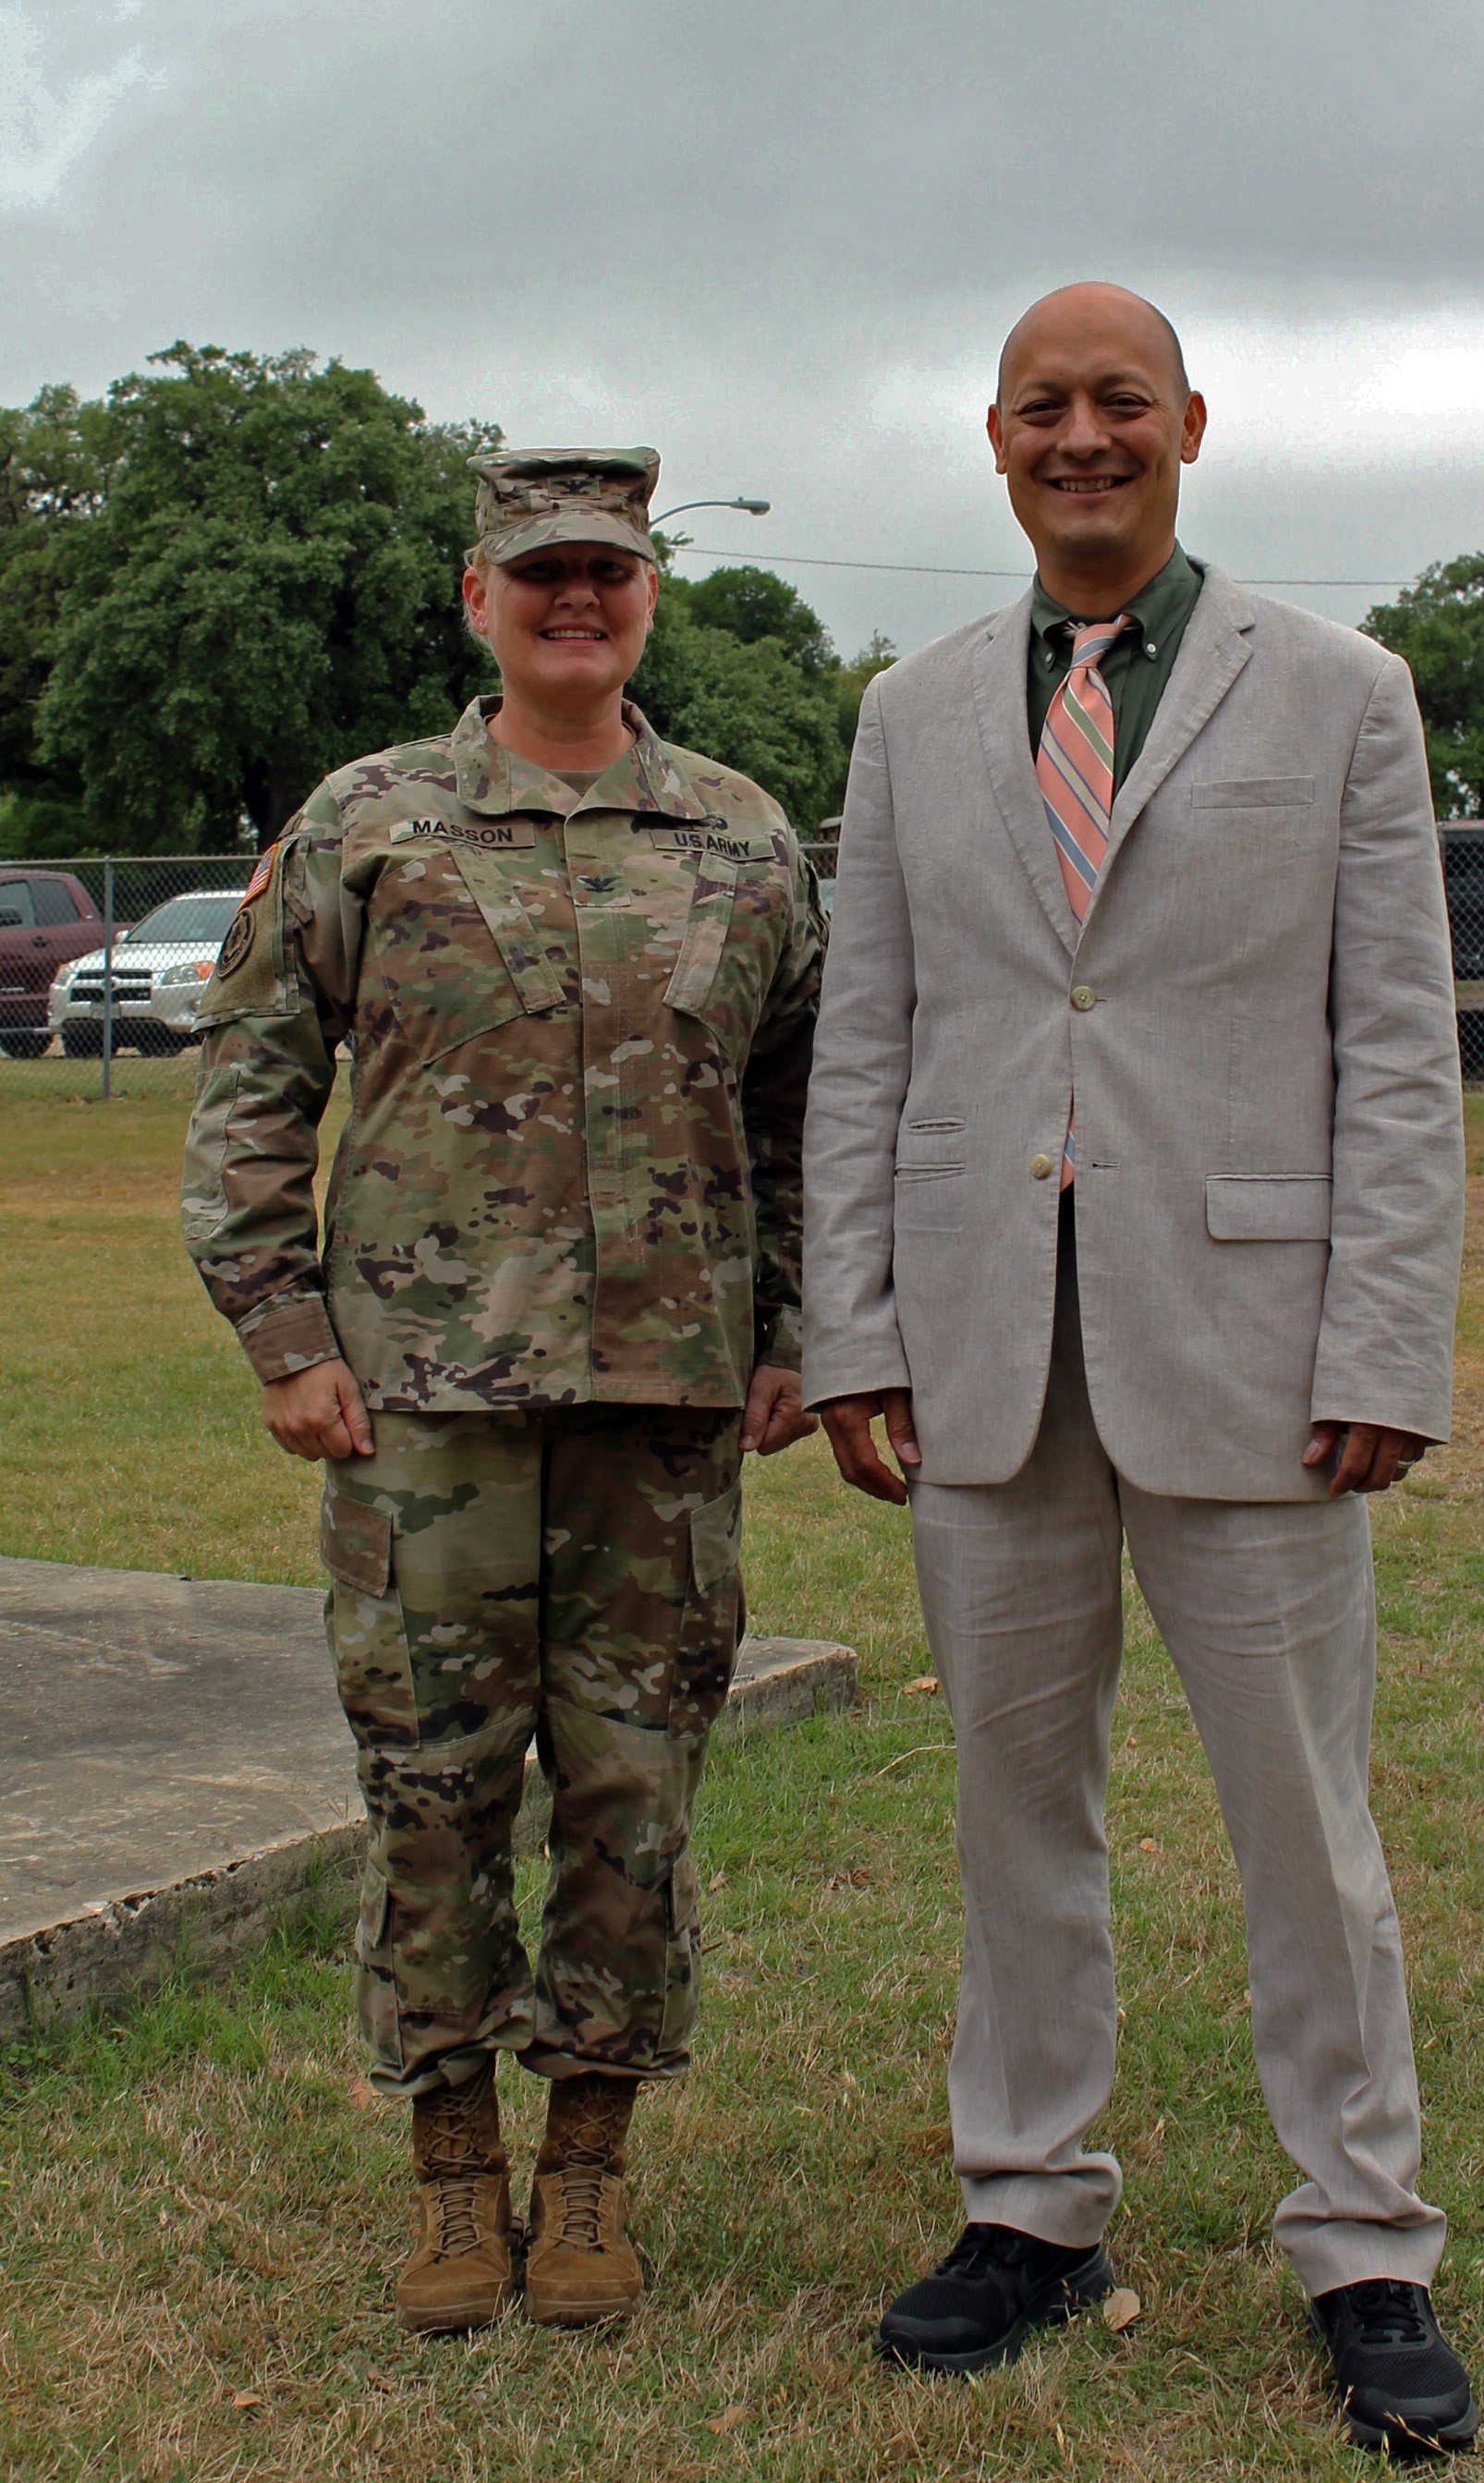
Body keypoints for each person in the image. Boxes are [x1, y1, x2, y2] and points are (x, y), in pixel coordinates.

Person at [802, 286, 1476, 2453]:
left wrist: (1382, 1330)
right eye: (1040, 408)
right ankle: (1029, 2204)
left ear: (1186, 422)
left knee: (1305, 1826)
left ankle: (1361, 2237)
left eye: (1117, 403)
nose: (1079, 436)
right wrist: (853, 1328)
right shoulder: (906, 713)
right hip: (984, 1339)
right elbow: (872, 1043)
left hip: (1256, 1346)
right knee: (1014, 1813)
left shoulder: (1342, 691)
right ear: (989, 441)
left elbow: (1394, 1044)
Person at [182, 446, 822, 2336]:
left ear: (645, 603)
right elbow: (248, 1092)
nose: (574, 600)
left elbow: (803, 1117)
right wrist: (285, 1339)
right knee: (433, 1793)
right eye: (538, 571)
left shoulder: (741, 837)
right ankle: (456, 2167)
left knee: (633, 1799)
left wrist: (794, 1327)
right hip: (425, 1420)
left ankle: (591, 2165)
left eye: (606, 576)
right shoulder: (370, 822)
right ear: (477, 597)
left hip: (663, 1421)